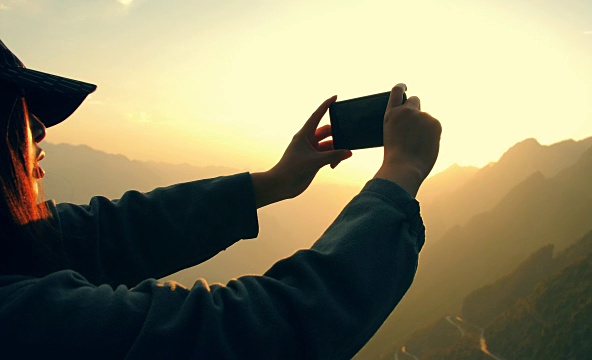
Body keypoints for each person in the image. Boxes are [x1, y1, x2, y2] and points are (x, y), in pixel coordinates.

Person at [0, 37, 441, 359]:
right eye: (15, 108)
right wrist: (399, 177)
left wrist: (271, 182)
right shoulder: (19, 319)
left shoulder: (11, 243)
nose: (39, 129)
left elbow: (111, 231)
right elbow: (253, 334)